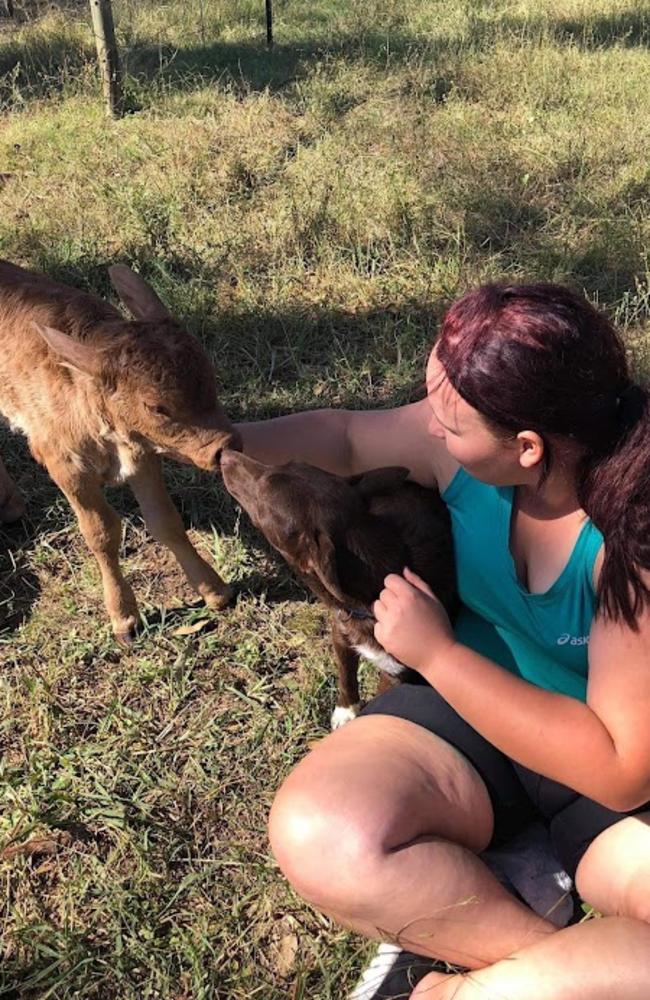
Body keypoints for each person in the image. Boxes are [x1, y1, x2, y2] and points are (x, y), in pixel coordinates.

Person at [238, 283, 650, 999]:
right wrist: (209, 441)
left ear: (527, 447)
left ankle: (469, 986)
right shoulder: (469, 456)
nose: (429, 429)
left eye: (450, 423)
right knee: (322, 834)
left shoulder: (631, 539)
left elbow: (620, 770)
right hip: (465, 728)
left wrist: (436, 654)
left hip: (599, 774)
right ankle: (545, 955)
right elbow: (343, 437)